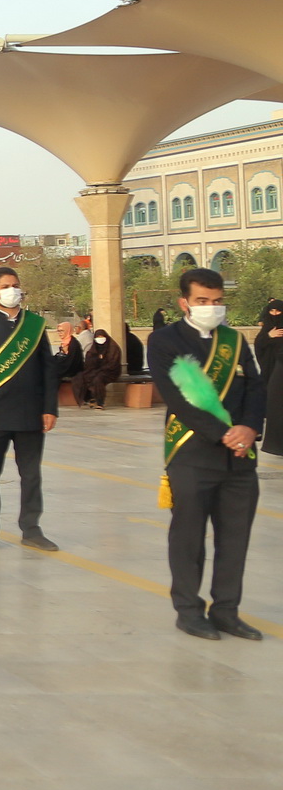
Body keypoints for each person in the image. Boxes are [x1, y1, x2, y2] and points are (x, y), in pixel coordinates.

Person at [149, 267, 264, 641]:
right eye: (202, 301)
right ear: (185, 302)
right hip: (192, 455)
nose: (211, 308)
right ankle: (188, 610)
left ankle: (227, 610)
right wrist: (224, 433)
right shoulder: (164, 340)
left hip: (240, 457)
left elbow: (256, 388)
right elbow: (177, 399)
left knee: (235, 538)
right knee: (188, 538)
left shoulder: (235, 340)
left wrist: (249, 427)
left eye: (217, 302)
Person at [0, 267, 60, 552]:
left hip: (31, 413)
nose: (12, 290)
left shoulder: (35, 325)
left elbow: (48, 370)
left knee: (31, 475)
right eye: (5, 286)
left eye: (15, 284)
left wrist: (49, 408)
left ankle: (31, 529)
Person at [259, 300, 283, 457]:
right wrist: (269, 336)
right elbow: (259, 345)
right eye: (272, 311)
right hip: (276, 371)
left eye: (278, 312)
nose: (274, 315)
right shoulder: (268, 328)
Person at [80, 326, 122, 409]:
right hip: (97, 370)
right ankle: (89, 398)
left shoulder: (113, 348)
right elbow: (89, 361)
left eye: (102, 337)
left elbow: (113, 363)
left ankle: (100, 402)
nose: (100, 339)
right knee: (85, 376)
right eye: (98, 337)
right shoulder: (94, 348)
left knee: (98, 379)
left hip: (110, 371)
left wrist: (100, 367)